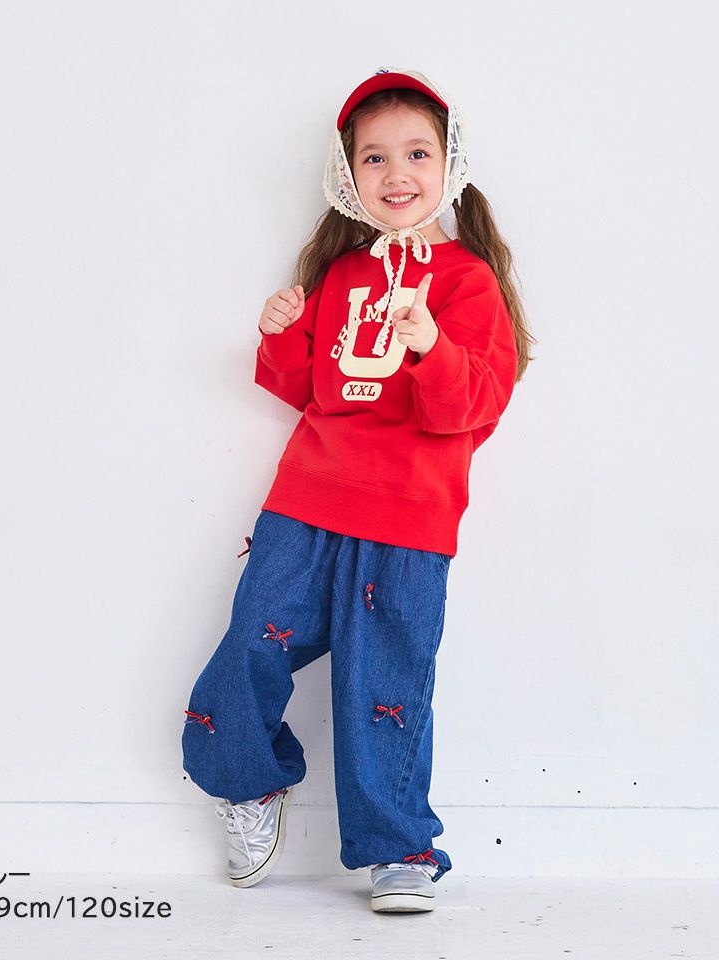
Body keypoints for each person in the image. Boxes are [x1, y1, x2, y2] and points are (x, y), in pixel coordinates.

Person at [182, 66, 535, 913]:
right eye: (374, 158)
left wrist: (431, 347)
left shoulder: (467, 283)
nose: (396, 173)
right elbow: (312, 388)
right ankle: (250, 782)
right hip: (305, 506)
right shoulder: (341, 275)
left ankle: (398, 847)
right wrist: (278, 336)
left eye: (416, 153)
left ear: (449, 165)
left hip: (409, 522)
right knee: (251, 646)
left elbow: (472, 410)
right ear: (348, 176)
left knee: (384, 685)